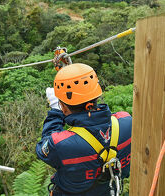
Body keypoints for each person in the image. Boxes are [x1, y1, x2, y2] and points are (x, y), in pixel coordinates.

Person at [36, 63, 132, 195]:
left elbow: (43, 147)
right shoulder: (127, 122)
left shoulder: (61, 144)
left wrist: (55, 110)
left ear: (63, 107)